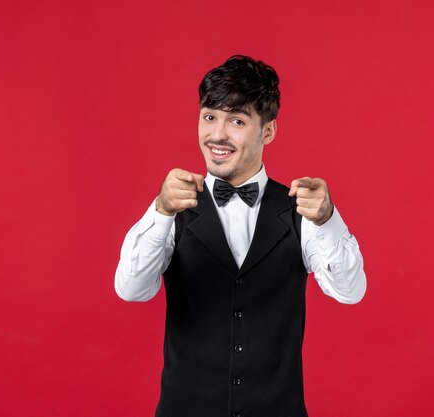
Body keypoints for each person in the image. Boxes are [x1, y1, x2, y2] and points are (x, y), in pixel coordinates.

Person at [114, 55, 366, 417]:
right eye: (209, 117)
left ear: (268, 131)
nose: (217, 134)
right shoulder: (173, 206)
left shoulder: (299, 208)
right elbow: (130, 289)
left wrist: (327, 219)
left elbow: (350, 292)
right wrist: (162, 211)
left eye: (236, 120)